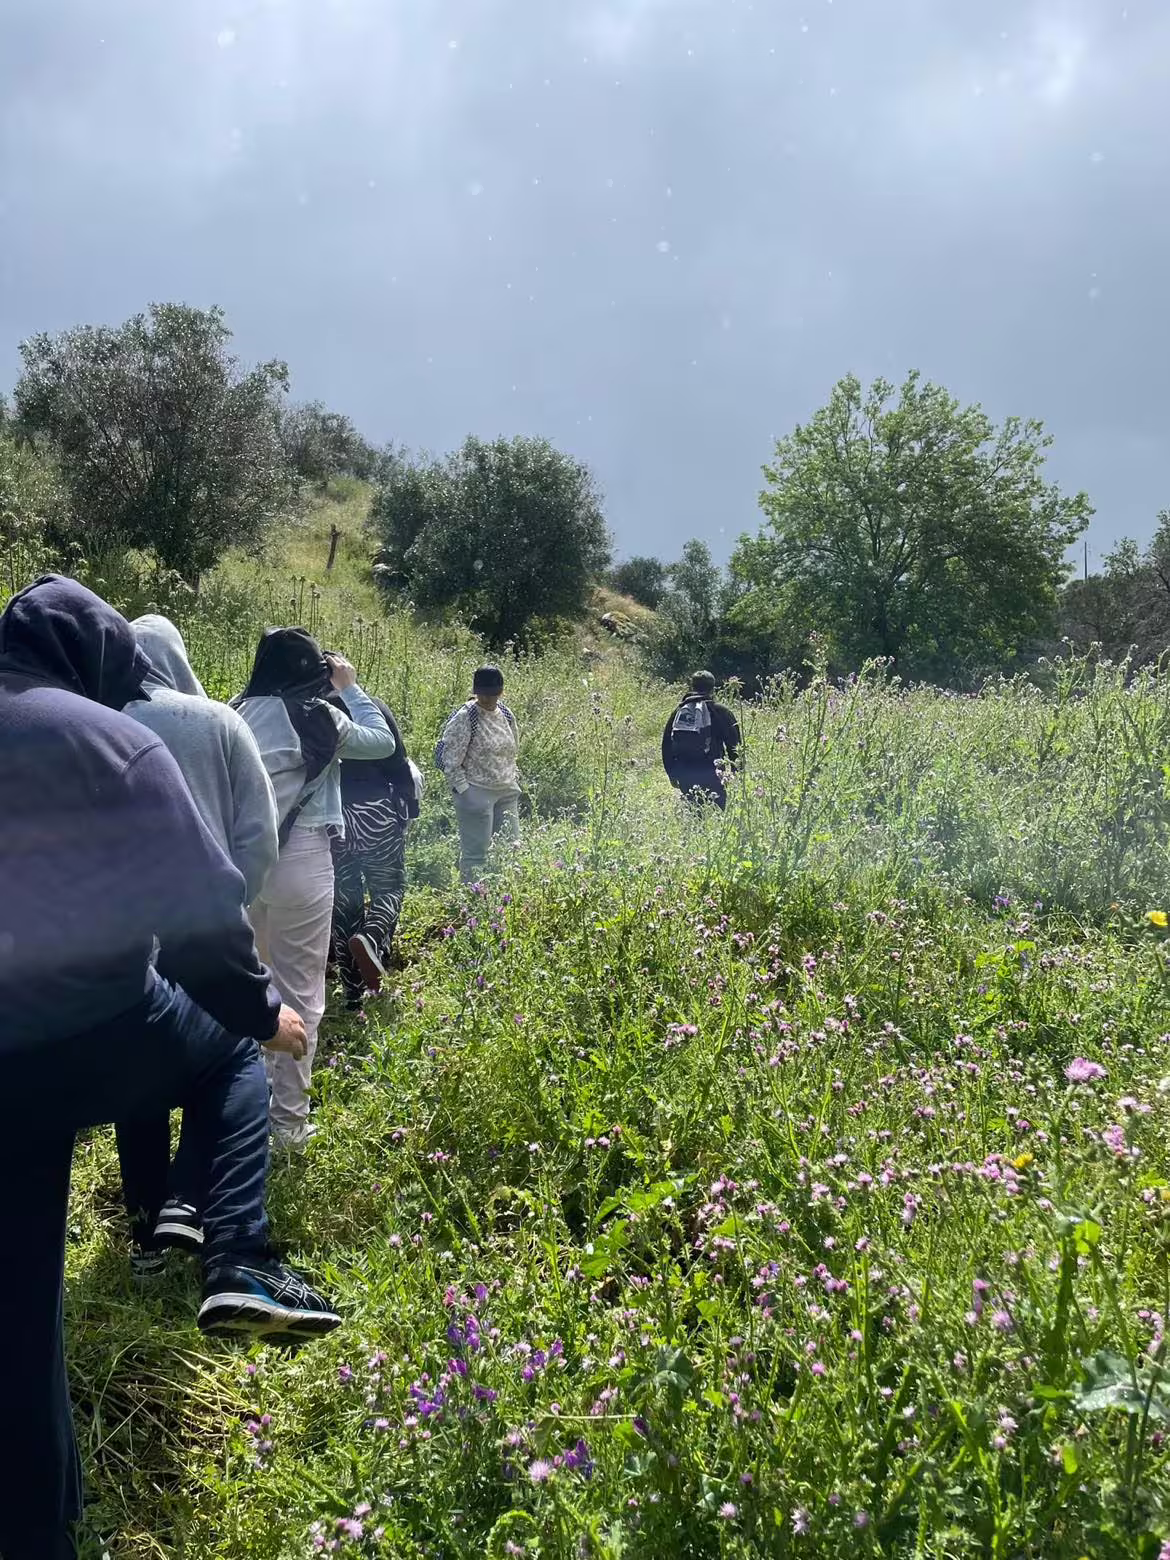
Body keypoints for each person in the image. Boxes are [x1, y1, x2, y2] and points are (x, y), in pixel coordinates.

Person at [0, 577, 341, 1560]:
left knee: (24, 1315)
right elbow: (199, 921)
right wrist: (263, 1012)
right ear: (100, 658)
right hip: (88, 1025)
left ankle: (41, 1531)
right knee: (231, 1048)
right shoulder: (111, 739)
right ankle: (239, 1256)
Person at [115, 614, 281, 1274]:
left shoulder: (99, 721)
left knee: (139, 1082)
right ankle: (192, 1202)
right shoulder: (218, 721)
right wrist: (228, 903)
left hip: (124, 942)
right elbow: (259, 838)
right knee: (226, 1062)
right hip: (208, 933)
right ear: (179, 656)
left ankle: (147, 1231)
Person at [233, 629, 396, 1145]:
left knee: (254, 985)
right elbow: (382, 741)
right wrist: (350, 686)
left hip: (241, 862)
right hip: (302, 857)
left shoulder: (232, 710)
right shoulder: (321, 715)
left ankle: (248, 1110)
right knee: (302, 990)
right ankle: (289, 1128)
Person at [329, 691, 418, 1007]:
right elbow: (398, 760)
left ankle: (352, 996)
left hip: (333, 813)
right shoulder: (371, 706)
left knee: (345, 903)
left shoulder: (311, 709)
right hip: (376, 809)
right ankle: (371, 937)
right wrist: (410, 807)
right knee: (390, 888)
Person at [437, 664, 521, 882]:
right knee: (476, 855)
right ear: (476, 692)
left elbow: (513, 749)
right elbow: (450, 759)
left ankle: (503, 900)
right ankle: (472, 904)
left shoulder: (505, 713)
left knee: (510, 850)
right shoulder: (466, 716)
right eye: (483, 694)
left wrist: (513, 778)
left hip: (506, 790)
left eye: (492, 694)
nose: (488, 699)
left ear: (501, 692)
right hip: (477, 791)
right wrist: (465, 792)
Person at [661, 670, 743, 811]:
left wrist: (672, 774)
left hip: (685, 773)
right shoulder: (720, 712)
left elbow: (666, 745)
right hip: (714, 774)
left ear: (692, 686)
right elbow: (734, 745)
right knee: (718, 816)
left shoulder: (679, 712)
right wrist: (737, 771)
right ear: (713, 688)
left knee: (694, 816)